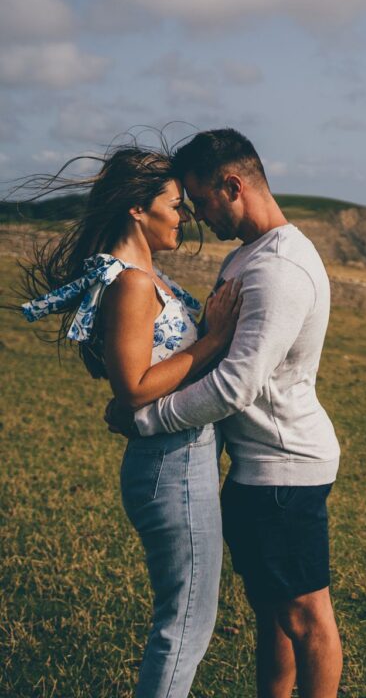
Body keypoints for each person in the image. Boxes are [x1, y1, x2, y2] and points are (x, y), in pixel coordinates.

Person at [111, 129, 344, 698]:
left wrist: (150, 416)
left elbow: (236, 385)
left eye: (201, 199)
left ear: (233, 185)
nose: (194, 215)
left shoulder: (279, 269)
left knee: (307, 620)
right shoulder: (249, 256)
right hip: (254, 469)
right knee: (273, 617)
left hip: (283, 471)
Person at [16, 145, 242, 698]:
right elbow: (134, 387)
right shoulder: (133, 283)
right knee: (186, 623)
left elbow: (131, 387)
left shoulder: (143, 275)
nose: (184, 216)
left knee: (185, 618)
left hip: (177, 463)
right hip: (173, 469)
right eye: (175, 204)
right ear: (137, 210)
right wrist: (214, 339)